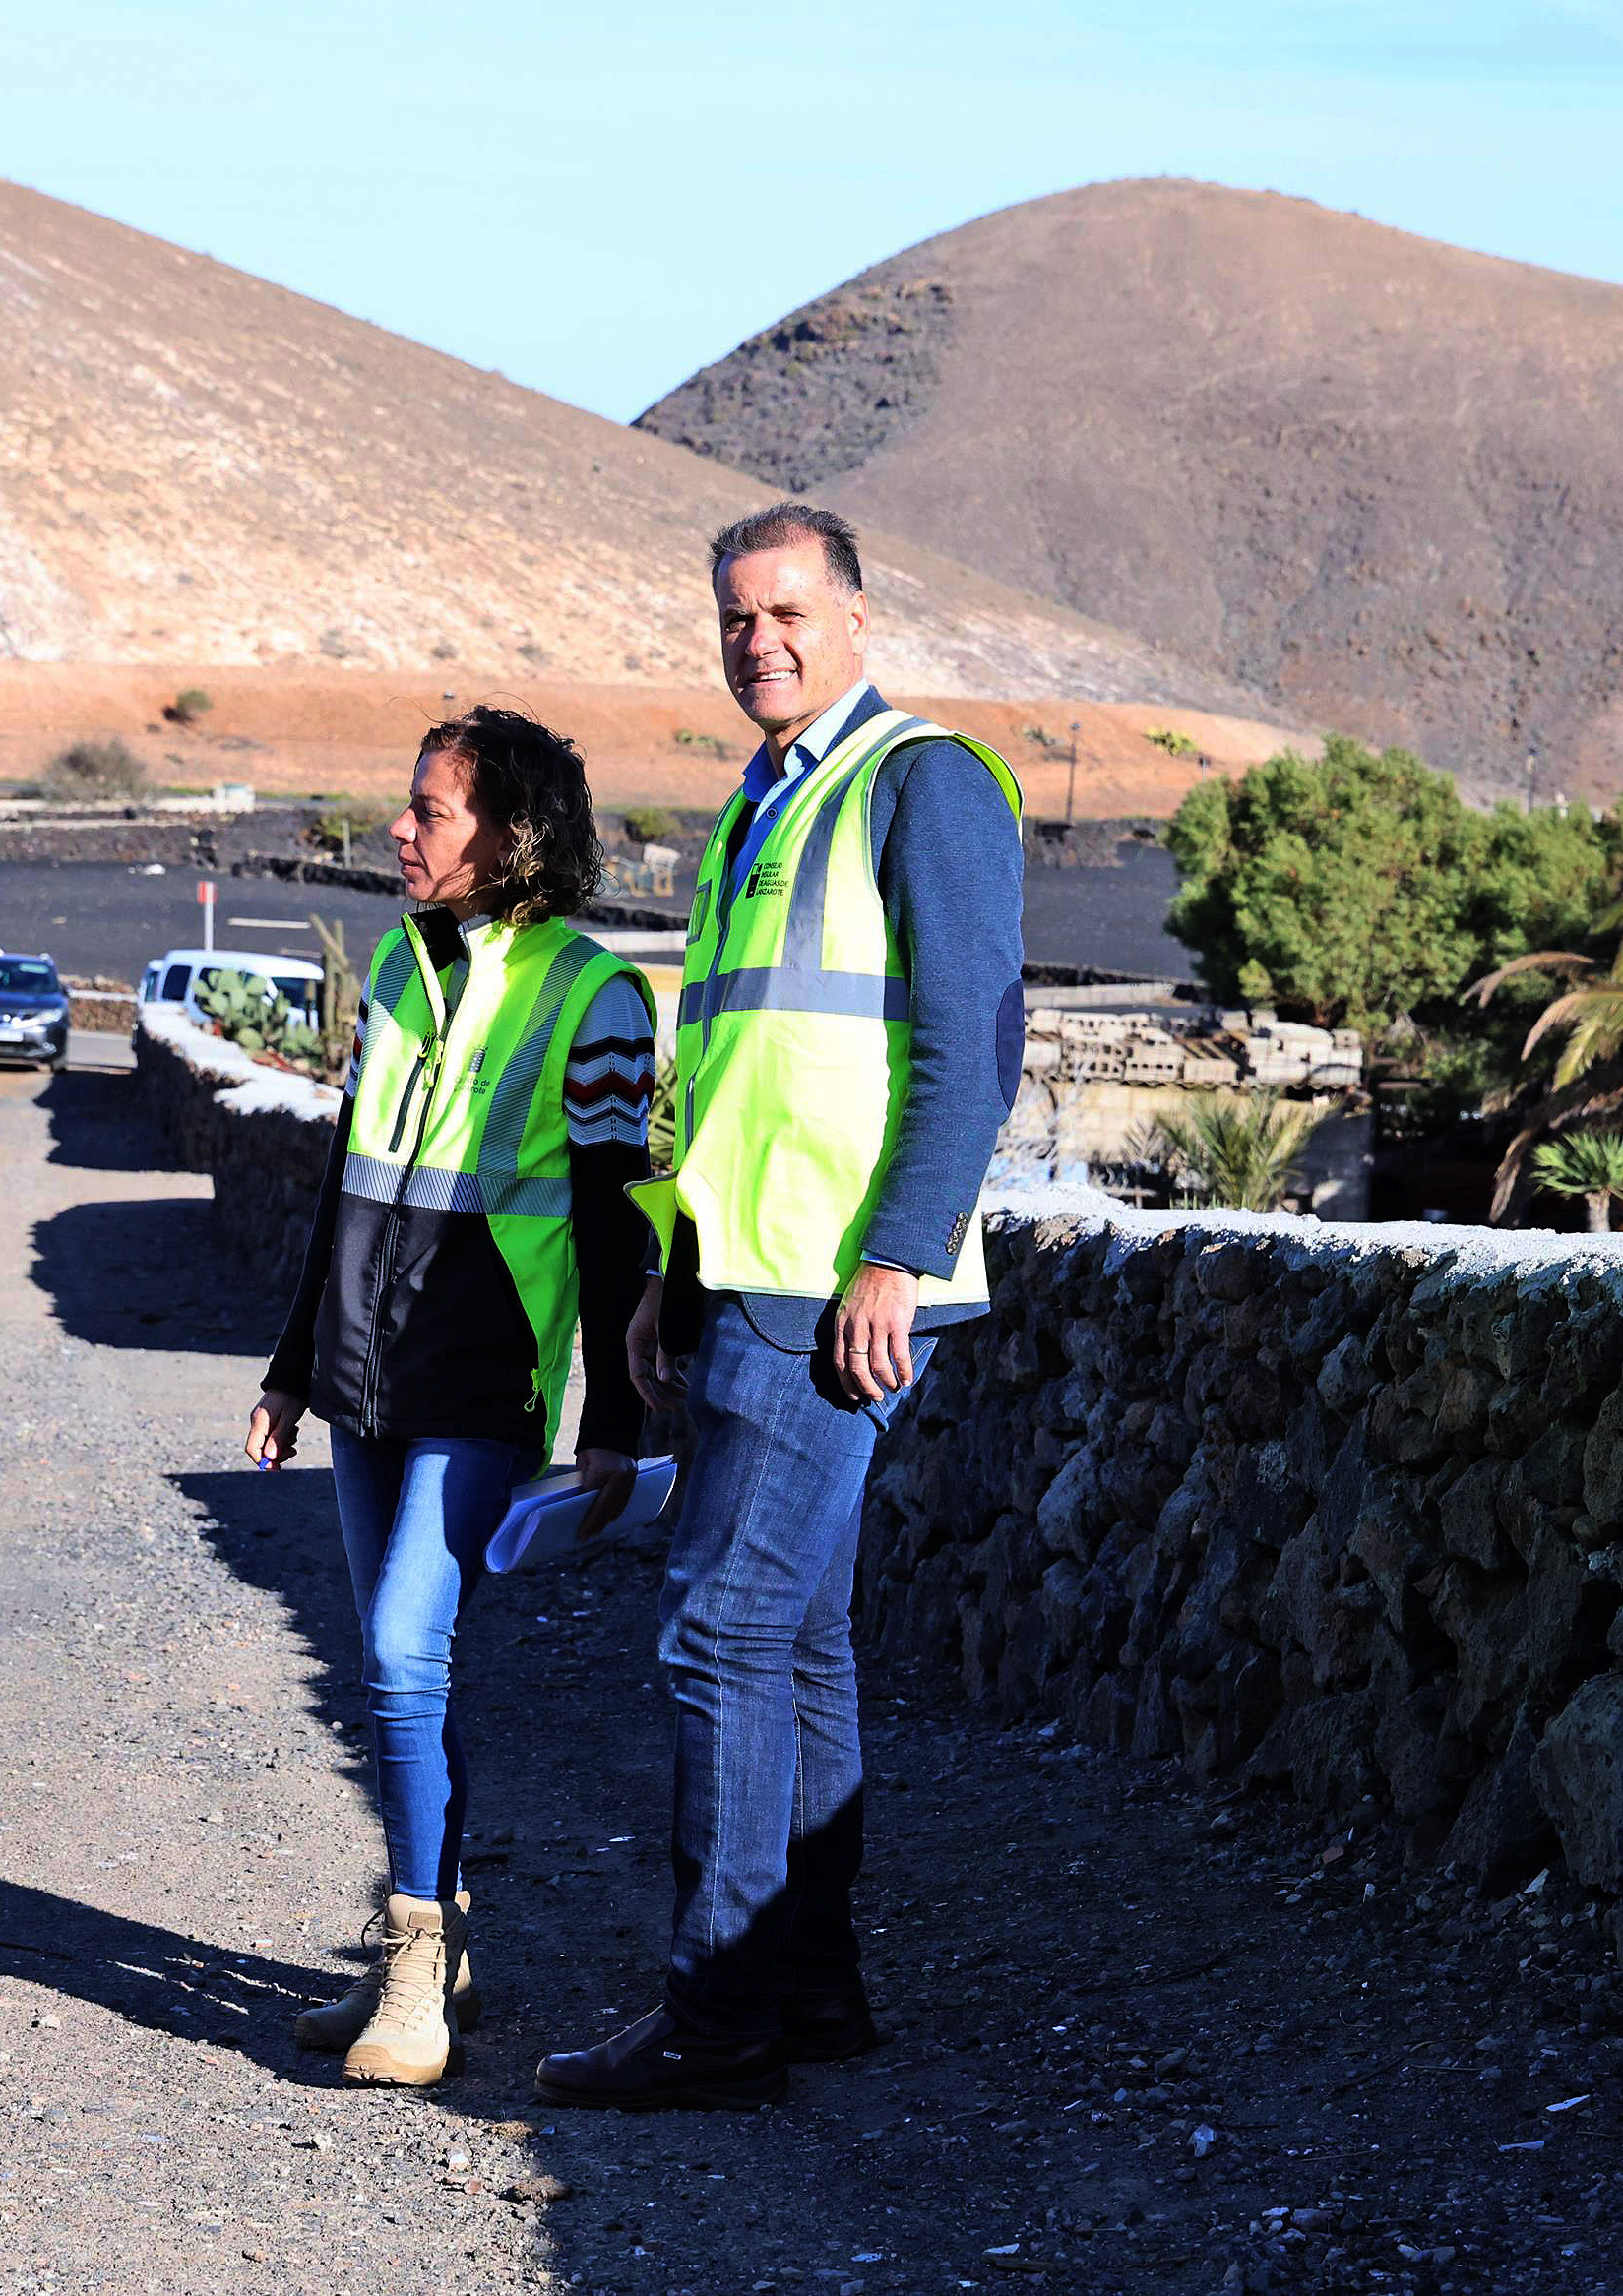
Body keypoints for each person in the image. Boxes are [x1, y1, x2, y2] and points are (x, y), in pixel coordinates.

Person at [538, 503, 1025, 2110]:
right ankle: (808, 1990)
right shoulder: (766, 800)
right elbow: (742, 1072)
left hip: (835, 1286)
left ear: (860, 619)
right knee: (798, 1636)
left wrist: (897, 1250)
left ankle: (719, 2009)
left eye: (792, 611)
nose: (764, 639)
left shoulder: (919, 783)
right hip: (749, 1274)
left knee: (719, 1627)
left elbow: (978, 1042)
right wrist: (675, 1279)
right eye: (739, 616)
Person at [249, 706, 661, 2087]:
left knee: (400, 1653)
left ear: (515, 835)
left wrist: (614, 1421)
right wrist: (293, 1367)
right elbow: (348, 1179)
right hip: (367, 1377)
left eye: (431, 809)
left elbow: (614, 1222)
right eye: (408, 804)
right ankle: (442, 1954)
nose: (401, 829)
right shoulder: (395, 962)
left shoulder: (594, 993)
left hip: (490, 1385)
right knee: (401, 1677)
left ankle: (415, 1964)